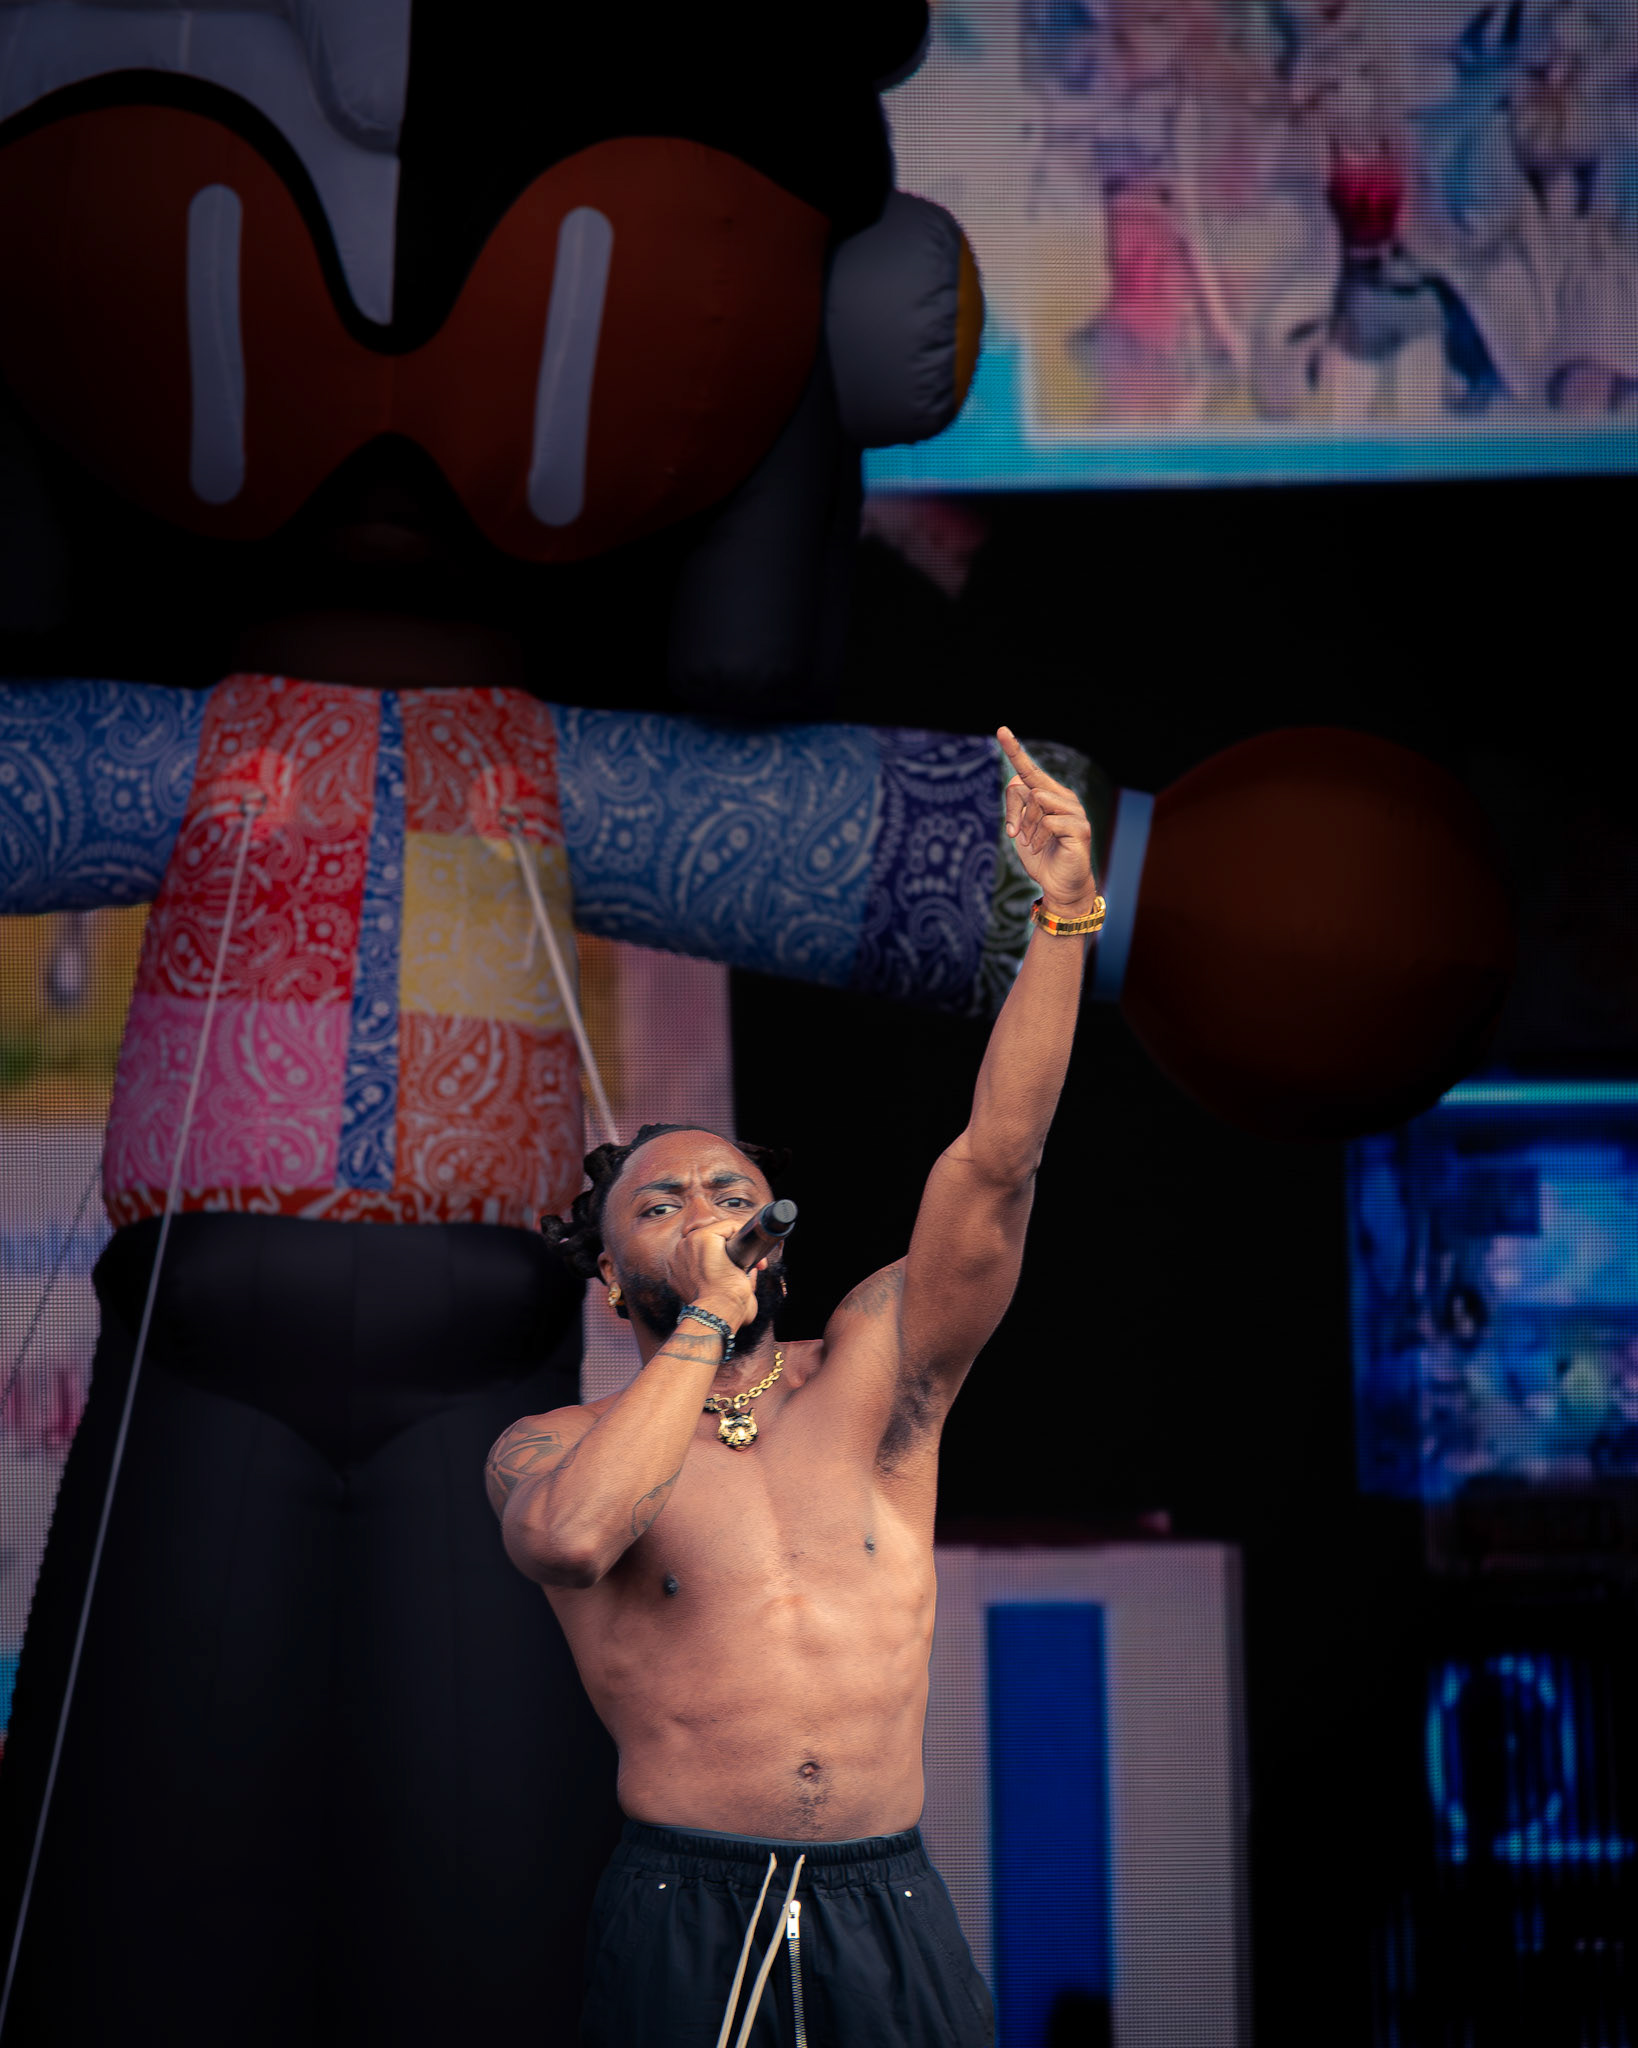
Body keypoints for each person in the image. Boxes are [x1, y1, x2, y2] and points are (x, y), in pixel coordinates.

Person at [485, 727, 1100, 2047]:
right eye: (661, 1204)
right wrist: (708, 1321)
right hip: (684, 1903)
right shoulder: (549, 1444)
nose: (705, 1206)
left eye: (730, 1190)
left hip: (890, 1896)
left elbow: (997, 1162)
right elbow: (574, 1537)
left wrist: (1061, 916)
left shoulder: (875, 1363)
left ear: (776, 1233)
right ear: (611, 1282)